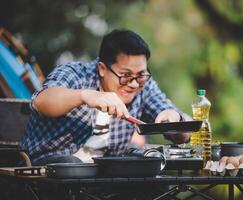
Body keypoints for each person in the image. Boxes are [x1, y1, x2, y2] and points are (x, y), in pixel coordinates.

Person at [21, 29, 191, 166]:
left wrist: (175, 118)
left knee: (153, 175)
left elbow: (186, 132)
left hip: (104, 175)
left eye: (140, 74)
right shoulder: (75, 74)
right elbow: (42, 101)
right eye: (125, 75)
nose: (133, 83)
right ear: (102, 68)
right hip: (49, 169)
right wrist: (86, 95)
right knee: (69, 165)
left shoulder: (143, 85)